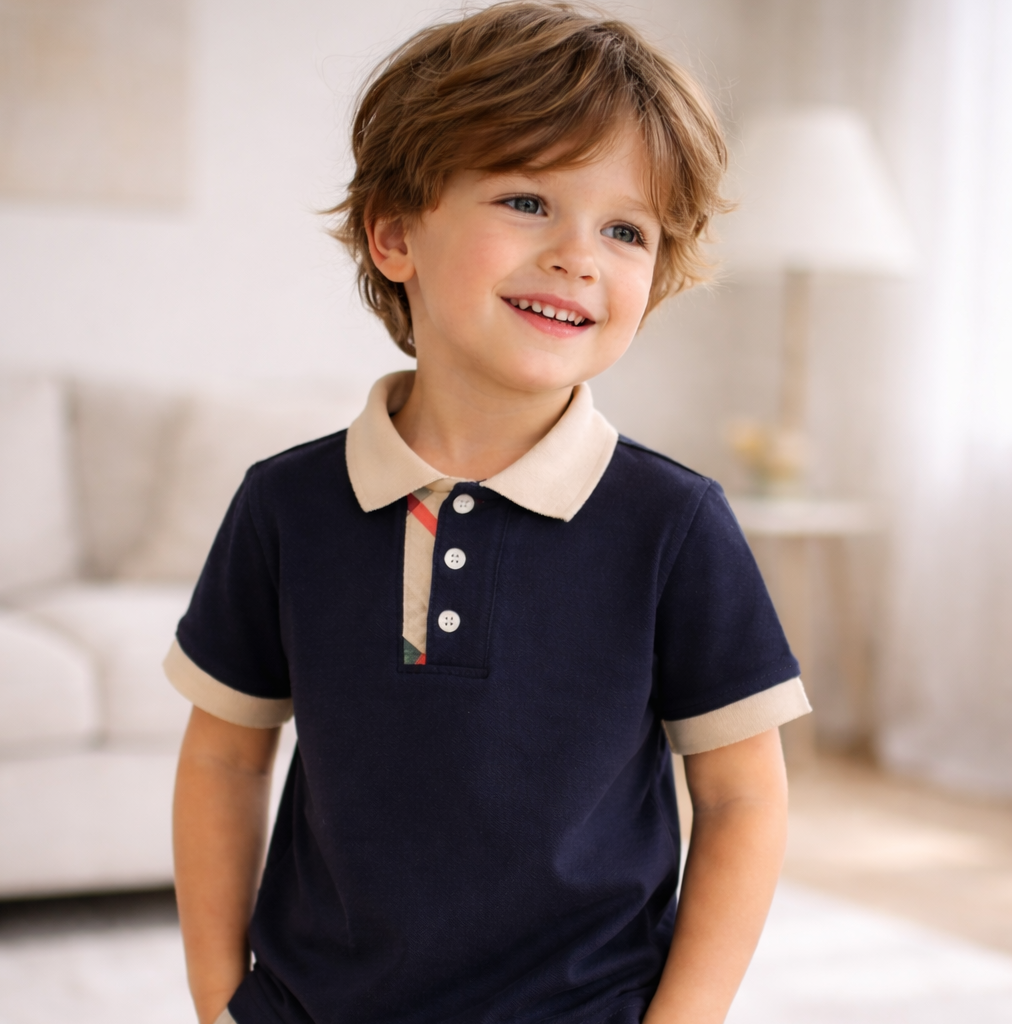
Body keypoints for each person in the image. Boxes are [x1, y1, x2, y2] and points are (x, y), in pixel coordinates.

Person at [167, 4, 812, 1023]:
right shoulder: (286, 505)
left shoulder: (674, 524)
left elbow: (742, 797)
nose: (578, 255)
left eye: (626, 229)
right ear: (395, 234)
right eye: (527, 200)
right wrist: (217, 998)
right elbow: (222, 754)